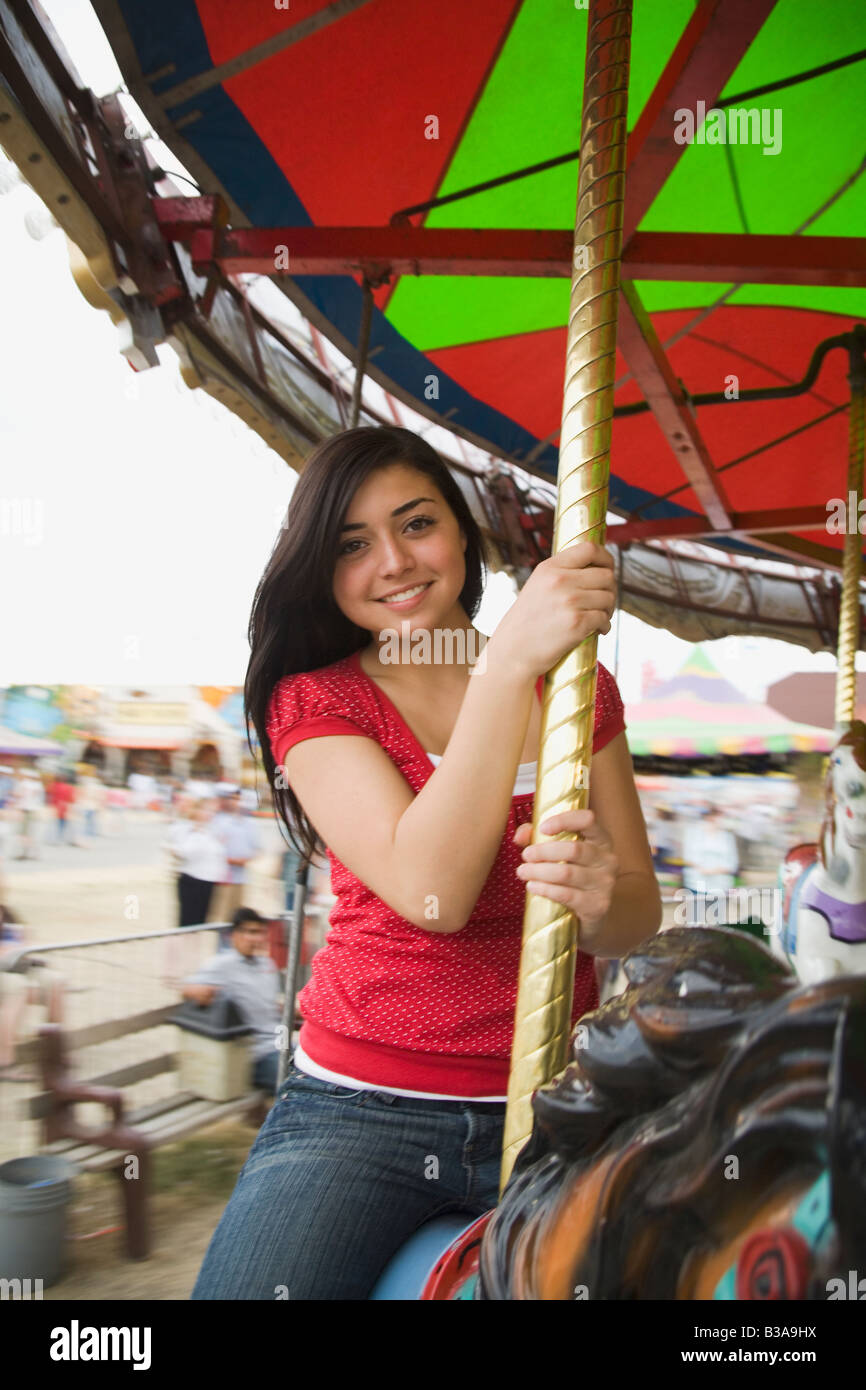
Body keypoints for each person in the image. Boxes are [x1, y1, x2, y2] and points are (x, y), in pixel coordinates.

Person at [192, 425, 661, 1301]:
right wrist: (507, 662)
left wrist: (599, 904)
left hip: (560, 1104)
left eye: (416, 524)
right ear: (323, 570)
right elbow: (433, 891)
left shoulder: (578, 693)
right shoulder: (319, 698)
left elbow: (640, 908)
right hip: (366, 1110)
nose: (395, 563)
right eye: (352, 545)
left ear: (462, 531)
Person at [179, 908, 280, 1092]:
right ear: (234, 935)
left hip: (280, 1044)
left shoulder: (268, 965)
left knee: (322, 1065)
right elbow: (186, 988)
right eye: (250, 932)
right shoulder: (222, 965)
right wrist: (200, 992)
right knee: (300, 1080)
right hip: (253, 1055)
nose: (256, 939)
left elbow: (272, 1006)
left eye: (260, 933)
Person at [164, 798, 228, 927]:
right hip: (192, 878)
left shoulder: (212, 831)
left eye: (212, 811)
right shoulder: (187, 829)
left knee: (201, 922)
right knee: (187, 922)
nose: (210, 814)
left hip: (209, 880)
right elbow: (180, 850)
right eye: (206, 810)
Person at [208, 788, 261, 923]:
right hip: (221, 877)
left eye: (239, 799)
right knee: (220, 917)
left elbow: (257, 849)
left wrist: (244, 860)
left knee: (235, 917)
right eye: (233, 799)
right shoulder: (219, 821)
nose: (237, 802)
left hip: (240, 877)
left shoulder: (250, 824)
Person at [680, 805, 740, 897]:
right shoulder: (693, 833)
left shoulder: (727, 837)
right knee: (696, 910)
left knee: (717, 910)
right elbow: (687, 856)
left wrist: (716, 870)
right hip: (696, 883)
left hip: (720, 885)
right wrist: (703, 869)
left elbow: (733, 862)